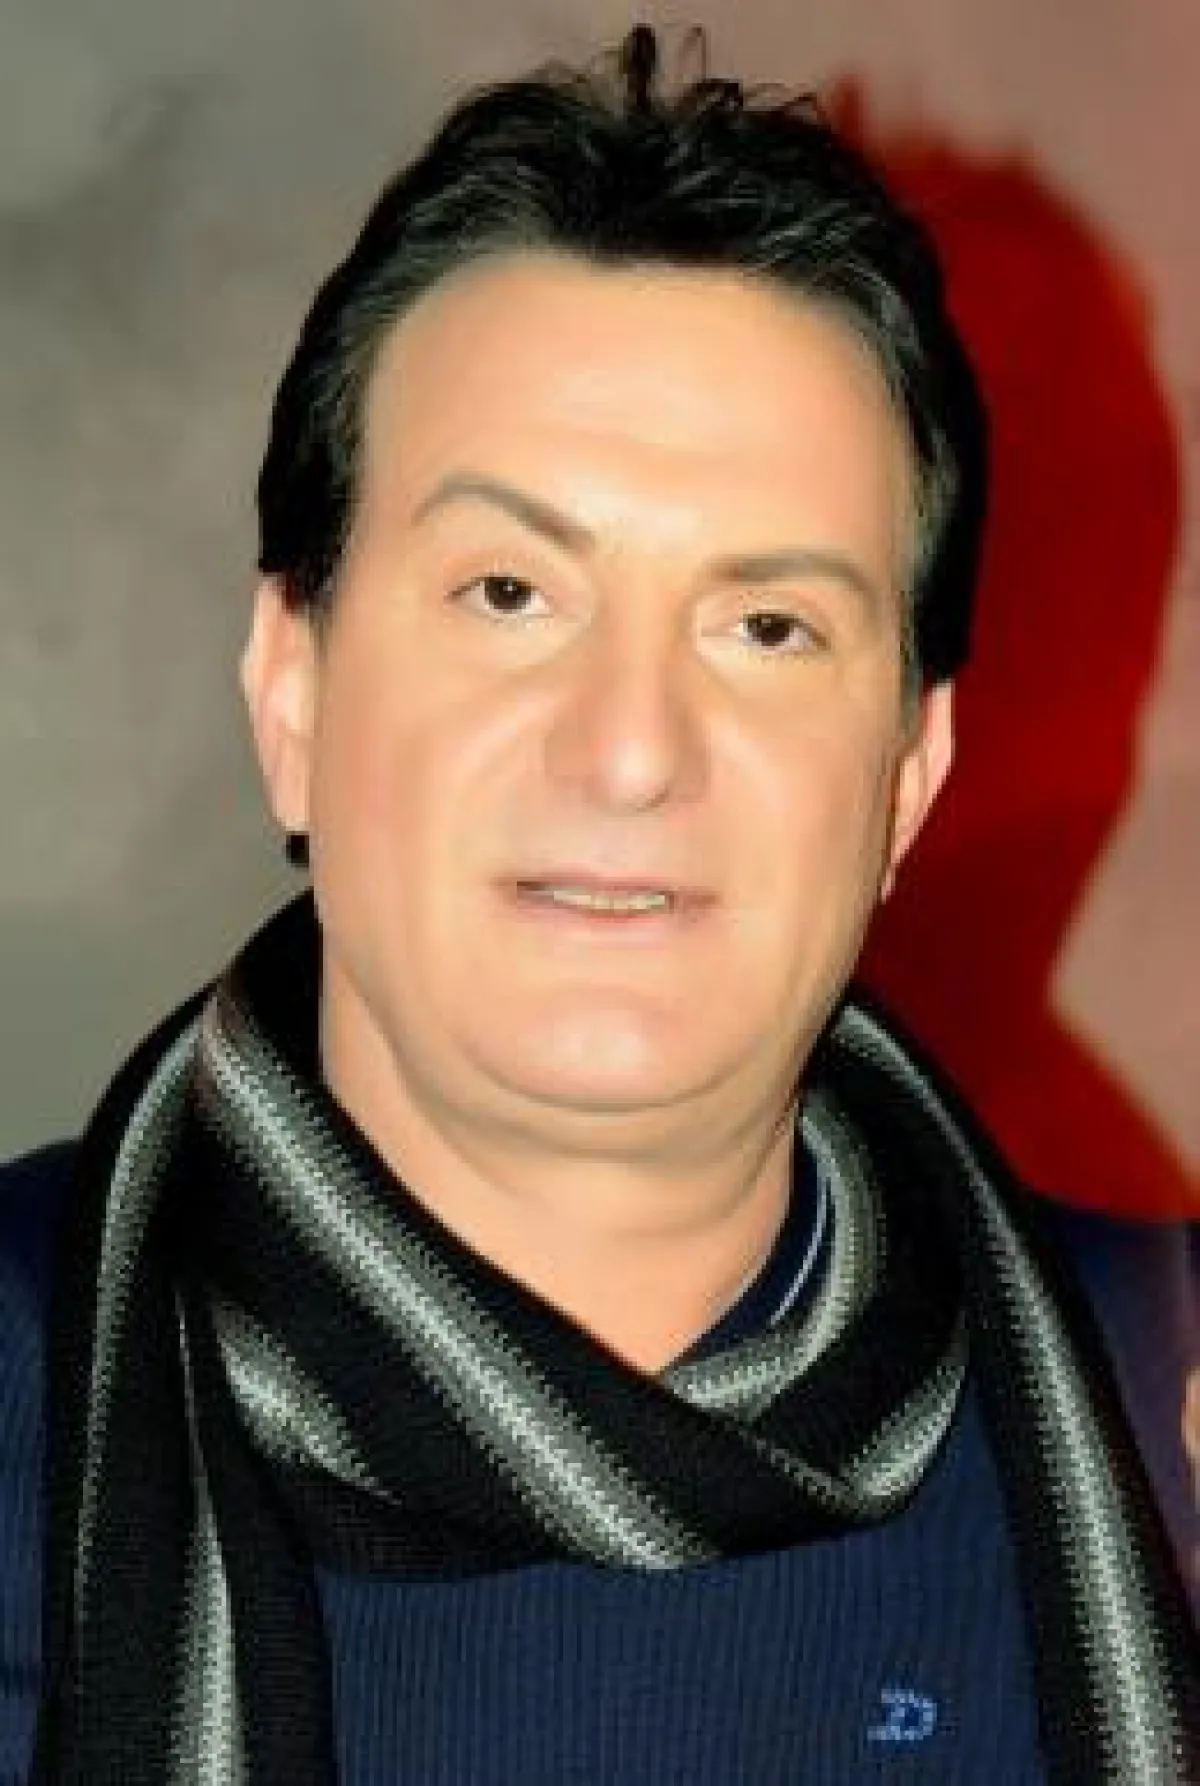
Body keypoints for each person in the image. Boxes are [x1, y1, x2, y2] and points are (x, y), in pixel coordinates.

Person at [0, 25, 1195, 1786]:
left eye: (769, 626)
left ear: (906, 779)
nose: (632, 748)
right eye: (509, 592)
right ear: (292, 691)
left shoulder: (1161, 1412)